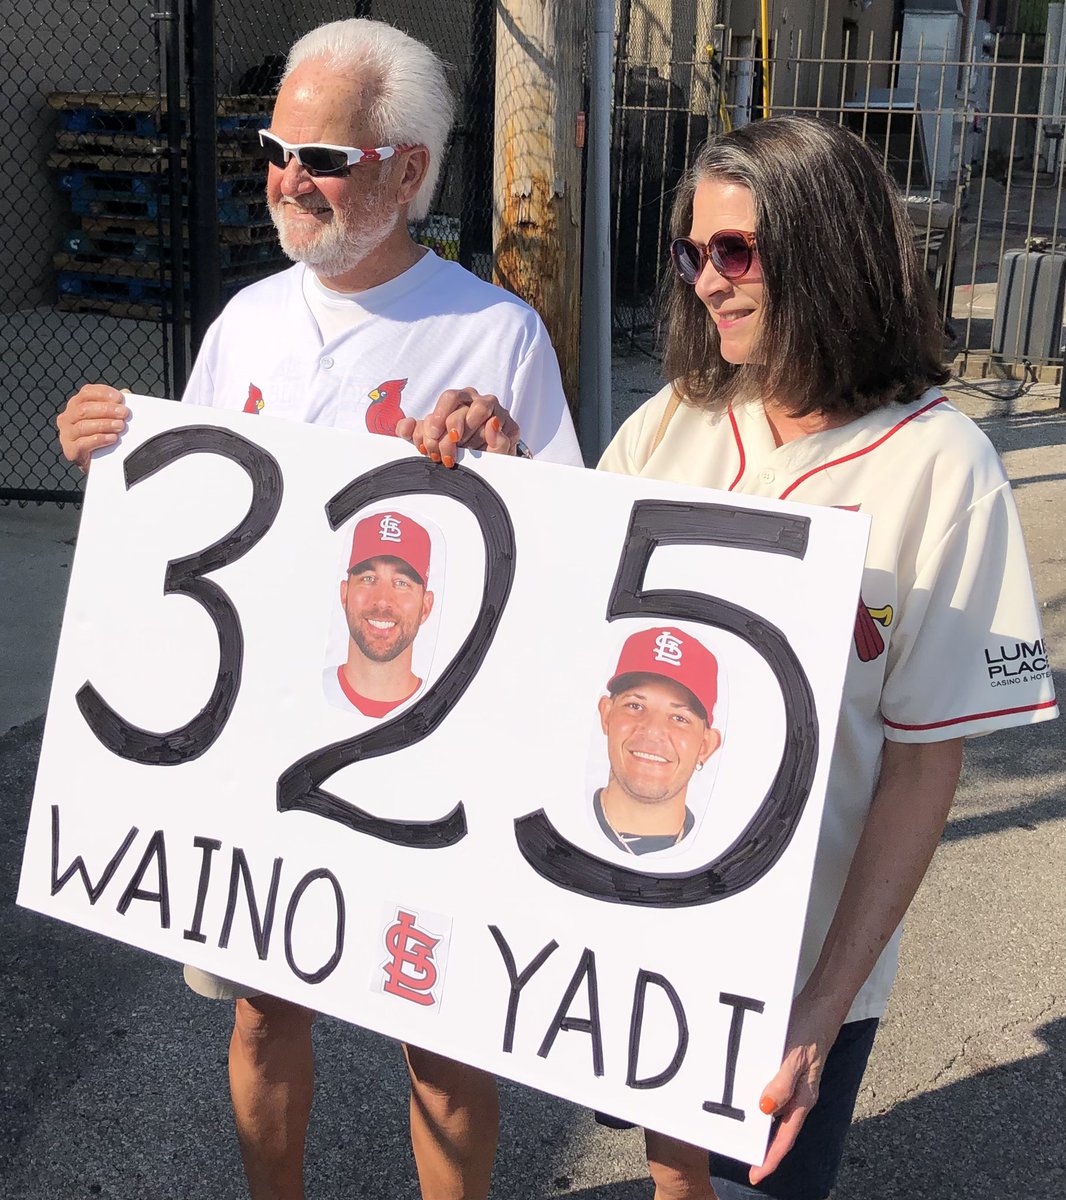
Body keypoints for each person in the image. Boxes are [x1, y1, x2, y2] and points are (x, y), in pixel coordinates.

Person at [402, 116, 1058, 1200]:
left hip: (797, 968)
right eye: (691, 253)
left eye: (736, 252)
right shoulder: (679, 420)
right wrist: (502, 466)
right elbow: (571, 602)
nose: (707, 281)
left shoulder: (946, 467)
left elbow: (919, 768)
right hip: (643, 929)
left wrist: (819, 1009)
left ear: (829, 248)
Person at [55, 17, 581, 1200]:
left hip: (420, 755)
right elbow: (188, 510)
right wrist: (110, 447)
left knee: (442, 1049)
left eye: (323, 158)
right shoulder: (245, 320)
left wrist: (507, 459)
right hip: (259, 746)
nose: (289, 178)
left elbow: (565, 552)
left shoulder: (495, 333)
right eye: (274, 148)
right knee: (257, 1015)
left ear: (409, 171)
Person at [594, 625, 722, 855]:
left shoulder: (720, 856)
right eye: (635, 705)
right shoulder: (554, 828)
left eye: (679, 718)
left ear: (705, 746)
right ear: (606, 715)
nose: (653, 731)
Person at [325, 510, 435, 717]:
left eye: (401, 583)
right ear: (345, 594)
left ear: (426, 606)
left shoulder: (438, 709)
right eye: (368, 578)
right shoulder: (308, 691)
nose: (383, 600)